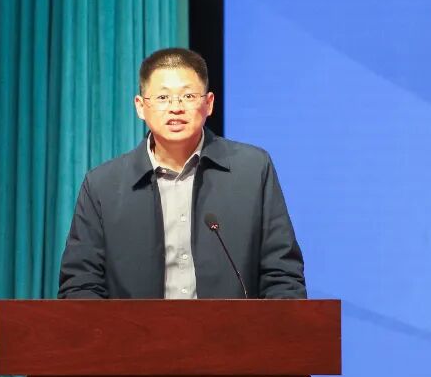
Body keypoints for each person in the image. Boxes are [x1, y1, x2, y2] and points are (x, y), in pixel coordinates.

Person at [57, 48, 305, 299]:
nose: (175, 107)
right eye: (163, 97)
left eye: (188, 96)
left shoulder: (252, 170)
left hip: (233, 326)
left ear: (208, 104)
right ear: (140, 106)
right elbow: (80, 285)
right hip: (134, 327)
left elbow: (282, 276)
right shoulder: (103, 186)